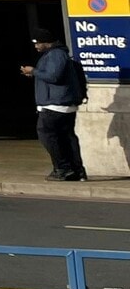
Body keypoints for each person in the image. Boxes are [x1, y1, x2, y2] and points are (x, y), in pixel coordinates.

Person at [21, 29, 88, 181]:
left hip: (55, 105)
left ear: (46, 42)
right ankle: (77, 171)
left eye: (38, 42)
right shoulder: (57, 54)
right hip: (62, 103)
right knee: (66, 137)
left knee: (48, 135)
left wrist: (34, 71)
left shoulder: (55, 54)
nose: (36, 46)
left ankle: (63, 168)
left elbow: (54, 76)